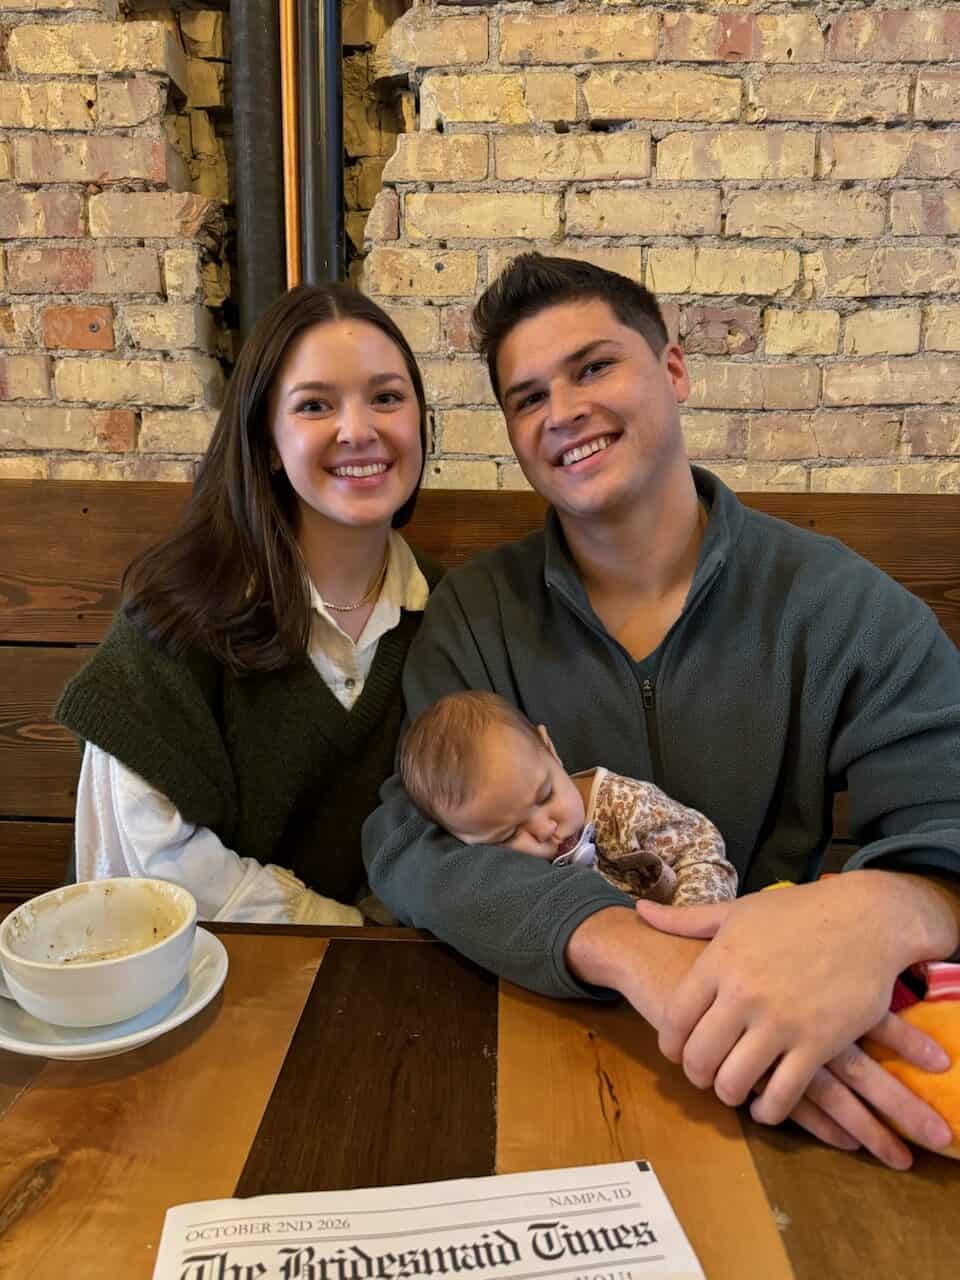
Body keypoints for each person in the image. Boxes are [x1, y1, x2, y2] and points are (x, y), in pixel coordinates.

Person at [364, 252, 960, 1169]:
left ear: (674, 370)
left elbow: (944, 802)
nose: (562, 411)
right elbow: (410, 842)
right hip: (534, 1064)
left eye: (594, 367)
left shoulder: (837, 602)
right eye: (527, 398)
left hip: (792, 1074)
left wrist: (892, 908)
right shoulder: (476, 616)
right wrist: (630, 950)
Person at [57, 282, 441, 925]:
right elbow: (144, 856)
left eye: (387, 398)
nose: (359, 430)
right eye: (316, 405)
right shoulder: (178, 610)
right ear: (265, 443)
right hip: (178, 973)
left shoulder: (445, 612)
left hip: (377, 986)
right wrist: (343, 929)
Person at [400, 690, 737, 906]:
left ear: (550, 749)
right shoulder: (497, 870)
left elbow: (701, 848)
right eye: (508, 835)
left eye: (545, 796)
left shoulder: (626, 805)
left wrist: (692, 922)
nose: (545, 829)